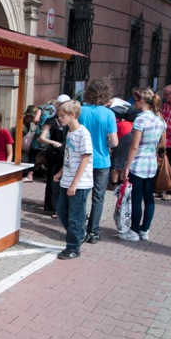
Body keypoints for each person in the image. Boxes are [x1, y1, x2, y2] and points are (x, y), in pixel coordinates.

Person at [119, 88, 167, 242]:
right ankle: (144, 230)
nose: (134, 104)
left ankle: (133, 231)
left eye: (136, 100)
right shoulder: (160, 119)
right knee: (149, 198)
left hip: (138, 163)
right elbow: (163, 143)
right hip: (151, 163)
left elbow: (134, 146)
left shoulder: (140, 120)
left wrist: (126, 166)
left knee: (136, 198)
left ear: (142, 101)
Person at [78, 79, 118, 244]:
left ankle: (79, 231)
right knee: (98, 198)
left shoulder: (80, 111)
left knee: (81, 196)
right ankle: (93, 231)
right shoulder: (108, 114)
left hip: (82, 160)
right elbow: (115, 142)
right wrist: (107, 145)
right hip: (101, 160)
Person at [52, 100, 92, 259]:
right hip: (67, 179)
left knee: (75, 216)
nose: (59, 119)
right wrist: (61, 172)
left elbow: (85, 159)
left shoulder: (83, 134)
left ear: (72, 115)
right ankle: (80, 234)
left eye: (62, 116)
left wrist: (75, 183)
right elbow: (69, 157)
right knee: (62, 211)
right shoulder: (69, 132)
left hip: (79, 183)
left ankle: (73, 247)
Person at [39, 94, 71, 215]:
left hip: (66, 151)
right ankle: (52, 207)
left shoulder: (69, 121)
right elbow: (41, 137)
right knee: (53, 179)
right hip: (55, 152)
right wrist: (52, 142)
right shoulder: (51, 121)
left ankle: (62, 205)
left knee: (65, 179)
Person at [110, 102, 134, 189]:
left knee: (116, 163)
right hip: (129, 140)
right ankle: (121, 182)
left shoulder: (120, 124)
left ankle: (114, 184)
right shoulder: (131, 124)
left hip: (122, 141)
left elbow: (112, 138)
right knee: (123, 163)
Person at [20, 105, 40, 181]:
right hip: (21, 151)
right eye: (30, 117)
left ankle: (33, 171)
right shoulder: (22, 126)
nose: (32, 119)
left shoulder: (31, 125)